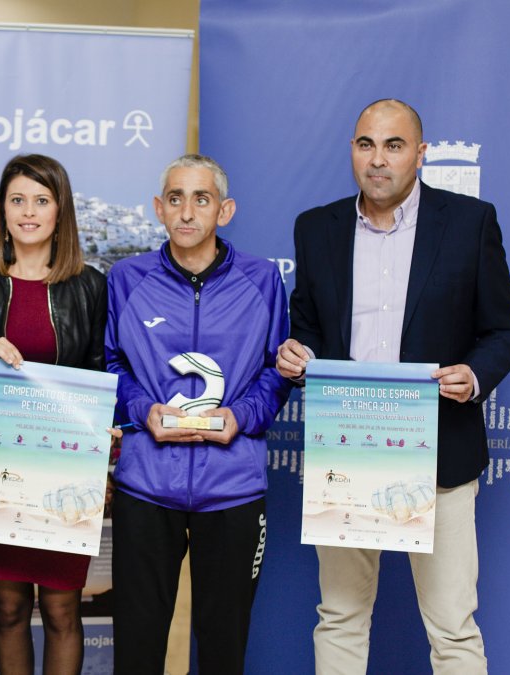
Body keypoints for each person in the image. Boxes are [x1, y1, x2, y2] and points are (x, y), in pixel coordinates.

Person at [276, 99, 510, 675]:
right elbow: (310, 325)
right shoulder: (317, 228)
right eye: (366, 144)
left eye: (393, 145)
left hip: (440, 448)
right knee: (339, 615)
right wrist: (300, 352)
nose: (378, 159)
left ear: (420, 153)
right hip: (347, 449)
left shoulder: (470, 222)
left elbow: (504, 329)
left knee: (453, 628)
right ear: (352, 152)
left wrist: (475, 374)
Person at [105, 154, 291, 674]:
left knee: (223, 650)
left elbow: (278, 369)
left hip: (232, 487)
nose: (187, 211)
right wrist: (143, 411)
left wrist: (242, 417)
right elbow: (111, 363)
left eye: (201, 199)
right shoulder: (125, 278)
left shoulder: (262, 279)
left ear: (224, 210)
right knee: (138, 649)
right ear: (158, 209)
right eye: (176, 198)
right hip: (147, 486)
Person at [0, 154, 107, 675]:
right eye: (18, 200)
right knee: (9, 609)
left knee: (62, 610)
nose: (28, 212)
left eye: (41, 200)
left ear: (61, 211)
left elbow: (103, 376)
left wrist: (103, 460)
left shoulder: (90, 285)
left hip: (66, 469)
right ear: (2, 210)